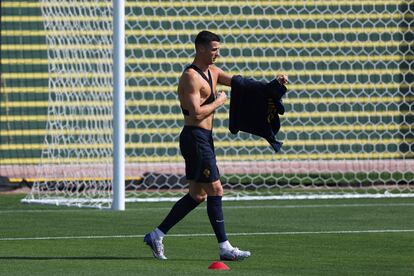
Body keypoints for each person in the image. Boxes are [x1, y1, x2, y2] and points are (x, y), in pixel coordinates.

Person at [144, 30, 288, 261]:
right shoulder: (190, 77)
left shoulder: (212, 72)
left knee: (197, 195)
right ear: (200, 49)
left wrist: (272, 86)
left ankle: (156, 235)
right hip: (194, 138)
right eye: (213, 49)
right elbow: (195, 113)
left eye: (218, 49)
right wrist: (220, 101)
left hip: (204, 139)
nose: (217, 54)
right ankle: (225, 247)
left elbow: (241, 84)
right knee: (216, 190)